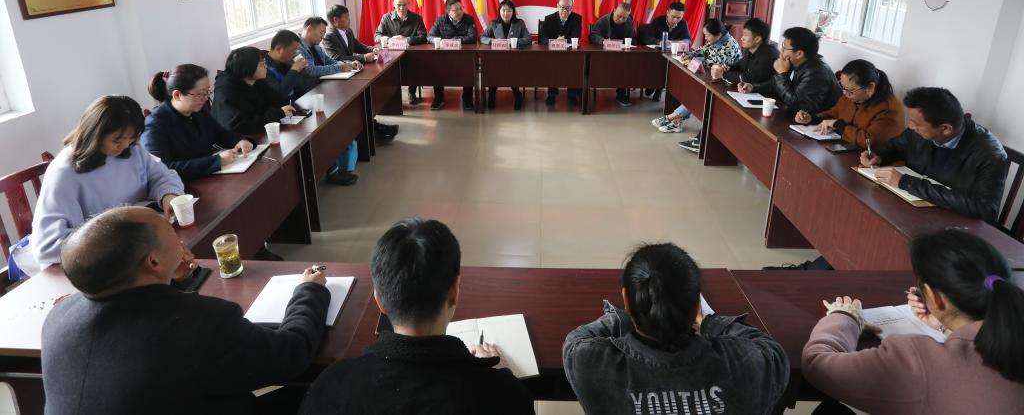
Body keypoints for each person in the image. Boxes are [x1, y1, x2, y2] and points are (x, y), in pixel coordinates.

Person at [42, 205, 330, 415]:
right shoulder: (205, 324)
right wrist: (309, 290)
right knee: (335, 383)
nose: (181, 241)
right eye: (171, 232)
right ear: (152, 262)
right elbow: (293, 353)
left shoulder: (58, 316)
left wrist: (164, 279)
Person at [299, 218, 534, 414]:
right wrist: (504, 376)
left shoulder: (330, 386)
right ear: (454, 291)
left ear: (379, 301)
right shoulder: (502, 396)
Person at [802, 230, 1024, 414]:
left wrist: (846, 315)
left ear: (933, 296)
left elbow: (816, 364)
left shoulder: (920, 361)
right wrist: (946, 324)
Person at [563, 243, 789, 415]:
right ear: (696, 306)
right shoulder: (748, 364)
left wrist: (623, 316)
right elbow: (773, 350)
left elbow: (577, 339)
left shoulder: (589, 362)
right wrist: (709, 322)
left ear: (628, 300)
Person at [29, 96, 184, 269]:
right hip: (96, 263)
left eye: (131, 138)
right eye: (117, 140)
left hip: (136, 246)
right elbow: (47, 245)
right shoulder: (64, 173)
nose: (125, 145)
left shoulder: (132, 149)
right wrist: (115, 239)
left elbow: (162, 175)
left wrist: (169, 195)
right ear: (95, 134)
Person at [860, 87, 1007, 223]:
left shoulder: (990, 154)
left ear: (945, 129)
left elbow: (985, 209)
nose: (911, 127)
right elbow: (896, 146)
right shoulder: (920, 130)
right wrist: (878, 155)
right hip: (912, 210)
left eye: (916, 124)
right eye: (911, 121)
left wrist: (907, 182)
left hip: (953, 224)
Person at [141, 65, 254, 181]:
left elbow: (218, 133)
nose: (206, 99)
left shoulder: (198, 110)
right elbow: (163, 169)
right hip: (183, 187)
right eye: (200, 94)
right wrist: (217, 161)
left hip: (210, 178)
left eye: (207, 92)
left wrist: (239, 141)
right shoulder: (154, 125)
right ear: (177, 95)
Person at [302, 15, 397, 141]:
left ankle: (372, 129)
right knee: (350, 105)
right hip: (310, 93)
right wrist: (340, 67)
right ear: (309, 29)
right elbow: (311, 71)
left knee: (356, 101)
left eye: (324, 33)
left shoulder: (316, 46)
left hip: (325, 85)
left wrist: (349, 64)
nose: (322, 37)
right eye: (321, 32)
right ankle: (369, 132)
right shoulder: (299, 48)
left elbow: (330, 61)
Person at [666, 19, 742, 151]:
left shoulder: (730, 45)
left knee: (701, 92)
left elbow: (718, 65)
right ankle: (677, 115)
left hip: (727, 83)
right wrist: (688, 55)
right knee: (695, 88)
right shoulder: (714, 40)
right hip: (711, 76)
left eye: (707, 35)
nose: (705, 38)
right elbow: (702, 50)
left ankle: (676, 116)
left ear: (718, 34)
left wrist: (695, 60)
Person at [794, 59, 904, 150]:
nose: (845, 94)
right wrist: (812, 118)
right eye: (842, 87)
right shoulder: (850, 96)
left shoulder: (889, 109)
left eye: (850, 90)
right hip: (846, 149)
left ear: (870, 87)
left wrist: (838, 125)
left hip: (875, 162)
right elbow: (834, 114)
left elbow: (869, 141)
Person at [743, 26, 840, 114]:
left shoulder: (815, 72)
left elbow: (798, 107)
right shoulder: (799, 60)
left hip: (817, 123)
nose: (781, 51)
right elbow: (776, 85)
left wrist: (782, 74)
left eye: (785, 47)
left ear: (799, 54)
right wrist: (754, 87)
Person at [213, 46, 296, 135]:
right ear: (248, 68)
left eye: (264, 63)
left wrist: (285, 108)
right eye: (261, 65)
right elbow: (241, 126)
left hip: (260, 131)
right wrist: (279, 113)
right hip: (238, 138)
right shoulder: (226, 91)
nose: (266, 67)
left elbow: (275, 99)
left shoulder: (256, 80)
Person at [375, 0, 428, 104]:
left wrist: (406, 39)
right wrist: (390, 39)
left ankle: (411, 92)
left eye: (404, 5)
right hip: (390, 52)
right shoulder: (386, 17)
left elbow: (423, 37)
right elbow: (377, 36)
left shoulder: (416, 18)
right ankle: (391, 96)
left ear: (409, 4)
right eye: (399, 5)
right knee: (383, 68)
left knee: (415, 65)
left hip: (409, 52)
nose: (402, 8)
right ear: (393, 4)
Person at [427, 0, 478, 110]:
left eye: (461, 8)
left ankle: (467, 98)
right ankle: (439, 98)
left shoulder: (469, 19)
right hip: (444, 55)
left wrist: (455, 40)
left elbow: (473, 37)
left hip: (464, 54)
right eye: (456, 10)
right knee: (435, 67)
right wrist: (439, 41)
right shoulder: (440, 20)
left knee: (469, 68)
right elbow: (429, 36)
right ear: (448, 11)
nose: (460, 12)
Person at [480, 0, 532, 110]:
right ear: (499, 11)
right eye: (503, 10)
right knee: (494, 69)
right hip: (497, 58)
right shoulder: (494, 23)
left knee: (511, 69)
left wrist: (515, 41)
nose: (506, 13)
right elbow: (482, 37)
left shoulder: (519, 23)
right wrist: (492, 41)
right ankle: (492, 93)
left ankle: (517, 94)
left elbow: (528, 39)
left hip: (514, 58)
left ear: (513, 12)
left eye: (509, 11)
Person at [639, 1, 691, 101]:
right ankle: (653, 85)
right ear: (668, 12)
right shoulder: (658, 21)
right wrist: (660, 42)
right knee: (659, 65)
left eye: (679, 18)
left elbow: (688, 40)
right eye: (673, 16)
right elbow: (646, 37)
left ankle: (658, 90)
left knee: (670, 67)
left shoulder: (683, 24)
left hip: (672, 55)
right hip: (656, 54)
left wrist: (682, 42)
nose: (675, 20)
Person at [539, 0, 583, 108]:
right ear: (557, 6)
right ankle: (552, 94)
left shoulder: (577, 18)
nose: (565, 10)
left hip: (570, 53)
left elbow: (576, 37)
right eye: (562, 7)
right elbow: (542, 38)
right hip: (553, 53)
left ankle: (572, 94)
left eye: (568, 8)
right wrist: (555, 41)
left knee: (574, 65)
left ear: (571, 8)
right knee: (552, 65)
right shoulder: (549, 18)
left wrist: (563, 41)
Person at [590, 2, 636, 107]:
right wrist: (603, 41)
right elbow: (593, 35)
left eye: (624, 18)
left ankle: (621, 94)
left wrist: (629, 44)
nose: (621, 19)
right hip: (605, 54)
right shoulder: (604, 20)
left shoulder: (629, 21)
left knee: (626, 65)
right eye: (619, 16)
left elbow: (632, 38)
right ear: (614, 10)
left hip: (622, 54)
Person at [263, 29, 317, 101]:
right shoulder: (263, 67)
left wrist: (302, 71)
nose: (295, 54)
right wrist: (294, 70)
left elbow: (300, 88)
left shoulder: (286, 62)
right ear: (279, 49)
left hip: (299, 102)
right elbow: (279, 95)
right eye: (294, 50)